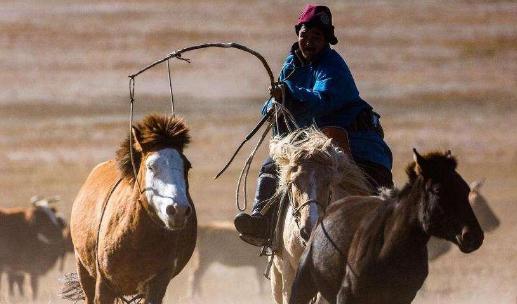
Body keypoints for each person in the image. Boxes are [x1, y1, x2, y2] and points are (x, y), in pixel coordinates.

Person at [234, 4, 393, 246]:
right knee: (271, 166)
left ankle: (388, 233)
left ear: (326, 40)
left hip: (351, 136)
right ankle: (261, 222)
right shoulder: (292, 63)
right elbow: (274, 100)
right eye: (304, 36)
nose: (308, 42)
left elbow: (324, 101)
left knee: (374, 184)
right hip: (312, 137)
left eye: (316, 37)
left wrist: (289, 92)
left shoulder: (333, 66)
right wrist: (273, 107)